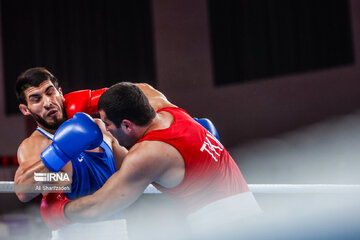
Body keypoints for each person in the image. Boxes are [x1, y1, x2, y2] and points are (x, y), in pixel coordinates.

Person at [44, 82, 261, 236]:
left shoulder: (148, 154)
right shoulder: (169, 111)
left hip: (221, 229)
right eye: (36, 98)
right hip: (254, 216)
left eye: (107, 123)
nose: (105, 129)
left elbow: (100, 205)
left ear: (127, 125)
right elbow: (143, 88)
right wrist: (88, 100)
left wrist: (59, 210)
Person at [14, 67, 128, 231]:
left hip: (118, 229)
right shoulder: (34, 145)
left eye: (50, 92)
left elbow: (133, 166)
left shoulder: (99, 127)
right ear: (25, 109)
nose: (47, 103)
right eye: (36, 99)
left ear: (60, 93)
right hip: (74, 232)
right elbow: (23, 191)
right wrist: (59, 152)